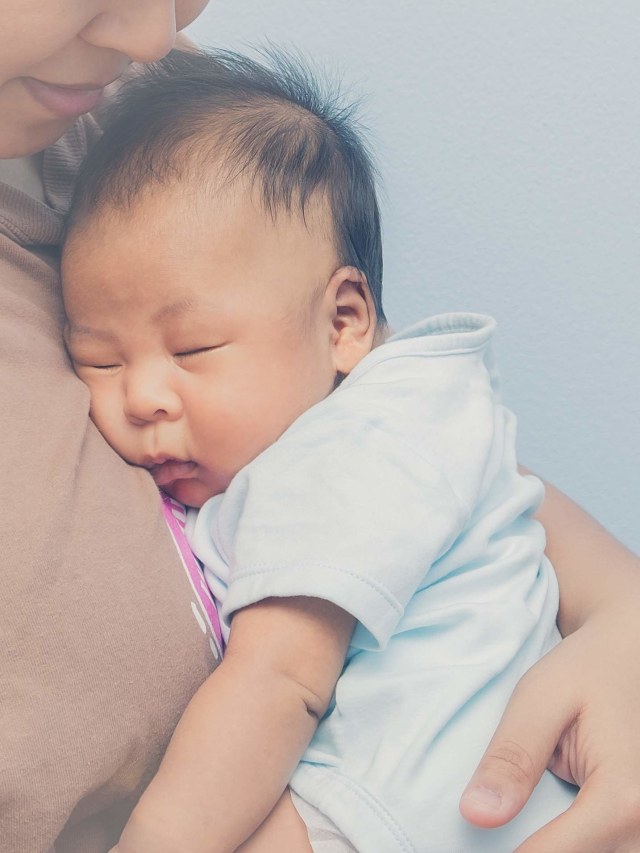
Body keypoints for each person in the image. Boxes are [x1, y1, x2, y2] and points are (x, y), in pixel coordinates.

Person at [1, 3, 639, 852]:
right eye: (98, 361)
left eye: (192, 347)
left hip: (424, 797)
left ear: (346, 321)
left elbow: (282, 678)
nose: (142, 397)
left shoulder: (152, 129)